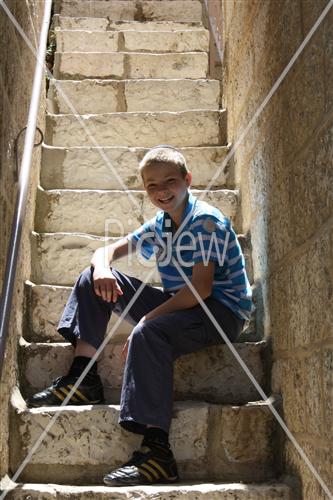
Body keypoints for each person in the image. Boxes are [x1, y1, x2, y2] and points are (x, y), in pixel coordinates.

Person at [27, 145, 252, 486]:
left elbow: (202, 290)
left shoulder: (205, 220)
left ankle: (158, 454)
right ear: (145, 189)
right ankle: (82, 379)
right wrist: (102, 266)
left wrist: (147, 320)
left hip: (220, 312)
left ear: (188, 181)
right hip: (183, 303)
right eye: (152, 185)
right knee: (93, 278)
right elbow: (107, 250)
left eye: (171, 182)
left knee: (150, 334)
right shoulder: (162, 223)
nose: (162, 191)